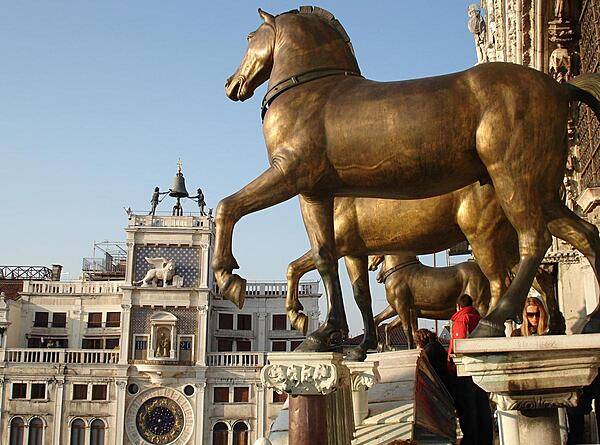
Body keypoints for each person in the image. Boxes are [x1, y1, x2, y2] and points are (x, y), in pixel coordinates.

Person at [448, 294, 493, 445]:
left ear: (458, 306)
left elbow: (457, 345)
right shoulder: (479, 319)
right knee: (481, 406)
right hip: (480, 367)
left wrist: (451, 365)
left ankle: (471, 440)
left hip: (464, 371)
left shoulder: (461, 319)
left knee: (468, 408)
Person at [414, 329, 456, 399]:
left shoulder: (429, 350)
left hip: (441, 383)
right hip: (448, 380)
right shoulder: (436, 345)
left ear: (420, 341)